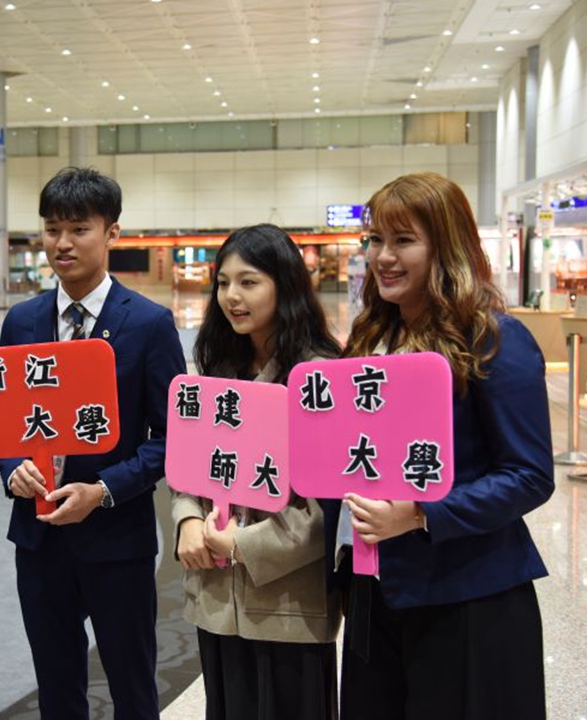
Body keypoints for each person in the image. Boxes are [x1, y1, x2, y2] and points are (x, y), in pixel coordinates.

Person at [327, 172, 553, 719]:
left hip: (468, 597)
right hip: (376, 592)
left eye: (403, 240)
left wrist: (422, 513)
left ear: (446, 247)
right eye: (375, 239)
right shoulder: (371, 339)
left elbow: (528, 474)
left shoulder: (493, 338)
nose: (383, 256)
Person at [0, 167, 185, 719]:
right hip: (38, 538)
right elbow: (2, 422)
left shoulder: (149, 324)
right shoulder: (23, 321)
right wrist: (11, 469)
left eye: (79, 228)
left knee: (131, 684)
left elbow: (170, 438)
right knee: (56, 686)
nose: (62, 243)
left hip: (116, 539)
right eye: (52, 229)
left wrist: (103, 489)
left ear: (112, 233)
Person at [174, 225, 342, 720]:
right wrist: (186, 518)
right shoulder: (216, 368)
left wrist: (244, 546)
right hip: (215, 600)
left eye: (249, 282)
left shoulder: (322, 374)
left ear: (284, 285)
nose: (231, 297)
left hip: (287, 605)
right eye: (223, 283)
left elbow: (325, 508)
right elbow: (188, 465)